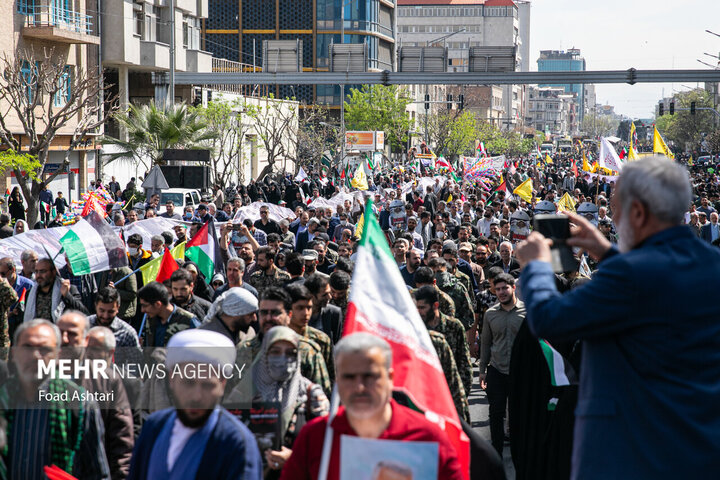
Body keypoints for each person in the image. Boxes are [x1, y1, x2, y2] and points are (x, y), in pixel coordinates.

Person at [515, 156, 720, 479]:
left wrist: (537, 267)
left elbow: (549, 320)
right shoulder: (711, 263)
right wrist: (606, 252)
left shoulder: (630, 276)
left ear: (637, 212)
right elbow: (651, 291)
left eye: (615, 208)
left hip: (631, 455)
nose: (611, 216)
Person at [280, 332, 464, 480]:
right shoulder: (316, 436)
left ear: (390, 379)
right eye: (349, 377)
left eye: (370, 377)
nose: (359, 387)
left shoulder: (428, 437)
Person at [127, 329, 263, 479]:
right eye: (188, 383)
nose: (196, 396)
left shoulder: (236, 443)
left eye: (207, 386)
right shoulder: (156, 426)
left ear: (222, 384)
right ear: (172, 379)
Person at [0, 319, 110, 479]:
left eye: (44, 349)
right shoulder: (3, 398)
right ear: (14, 353)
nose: (35, 356)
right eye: (27, 347)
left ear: (57, 355)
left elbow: (98, 473)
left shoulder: (79, 403)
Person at [226, 326, 329, 474]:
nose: (283, 358)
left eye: (290, 352)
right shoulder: (244, 392)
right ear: (264, 354)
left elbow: (326, 449)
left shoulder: (311, 396)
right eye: (275, 352)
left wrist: (294, 458)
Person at [56, 311, 135, 480]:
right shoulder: (37, 377)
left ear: (85, 341)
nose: (63, 339)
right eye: (59, 333)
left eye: (71, 334)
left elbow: (121, 442)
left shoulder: (107, 381)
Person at [236, 287, 332, 396]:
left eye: (275, 313)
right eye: (263, 313)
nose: (268, 318)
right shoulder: (244, 350)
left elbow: (323, 396)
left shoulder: (307, 352)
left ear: (289, 316)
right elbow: (233, 400)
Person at [478, 273, 525, 456]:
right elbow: (485, 343)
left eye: (504, 288)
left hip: (520, 373)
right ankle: (496, 456)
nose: (501, 292)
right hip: (496, 370)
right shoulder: (490, 314)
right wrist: (482, 370)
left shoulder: (527, 313)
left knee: (518, 415)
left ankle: (520, 454)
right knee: (495, 414)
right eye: (497, 289)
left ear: (513, 288)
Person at [88, 286, 143, 367]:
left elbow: (136, 366)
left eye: (110, 311)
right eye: (102, 311)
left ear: (118, 308)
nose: (105, 316)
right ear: (95, 306)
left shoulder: (127, 333)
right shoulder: (84, 326)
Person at [137, 281, 199, 348]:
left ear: (158, 304)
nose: (142, 310)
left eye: (145, 306)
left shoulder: (188, 321)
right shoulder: (151, 319)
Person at [24, 258, 88, 322]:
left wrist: (67, 295)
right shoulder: (30, 294)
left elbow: (83, 314)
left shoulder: (69, 289)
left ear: (54, 272)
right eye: (36, 271)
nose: (38, 275)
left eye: (42, 271)